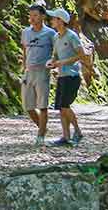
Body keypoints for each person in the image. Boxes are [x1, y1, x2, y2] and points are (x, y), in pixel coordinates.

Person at [45, 8, 84, 146]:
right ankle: (66, 137)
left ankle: (78, 132)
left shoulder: (72, 36)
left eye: (54, 18)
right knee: (61, 108)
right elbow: (55, 55)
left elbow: (81, 54)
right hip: (62, 75)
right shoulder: (56, 37)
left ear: (60, 21)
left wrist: (63, 62)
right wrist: (52, 62)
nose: (51, 21)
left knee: (65, 106)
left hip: (72, 76)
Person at [20, 4, 56, 147]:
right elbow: (24, 50)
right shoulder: (26, 32)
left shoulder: (50, 33)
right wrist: (23, 67)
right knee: (28, 106)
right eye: (30, 16)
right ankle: (43, 127)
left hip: (42, 72)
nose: (32, 18)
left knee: (42, 105)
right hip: (28, 71)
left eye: (35, 15)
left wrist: (53, 63)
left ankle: (40, 136)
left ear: (42, 16)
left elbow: (56, 50)